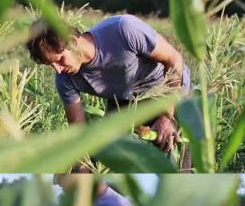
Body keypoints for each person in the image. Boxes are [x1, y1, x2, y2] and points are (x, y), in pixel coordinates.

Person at [27, 15, 192, 171]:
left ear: (72, 41)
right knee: (105, 154)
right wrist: (84, 172)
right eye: (51, 64)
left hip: (167, 88)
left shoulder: (124, 30)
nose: (58, 69)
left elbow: (173, 59)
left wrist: (166, 115)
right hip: (125, 99)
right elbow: (78, 131)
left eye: (59, 60)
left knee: (171, 154)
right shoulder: (65, 79)